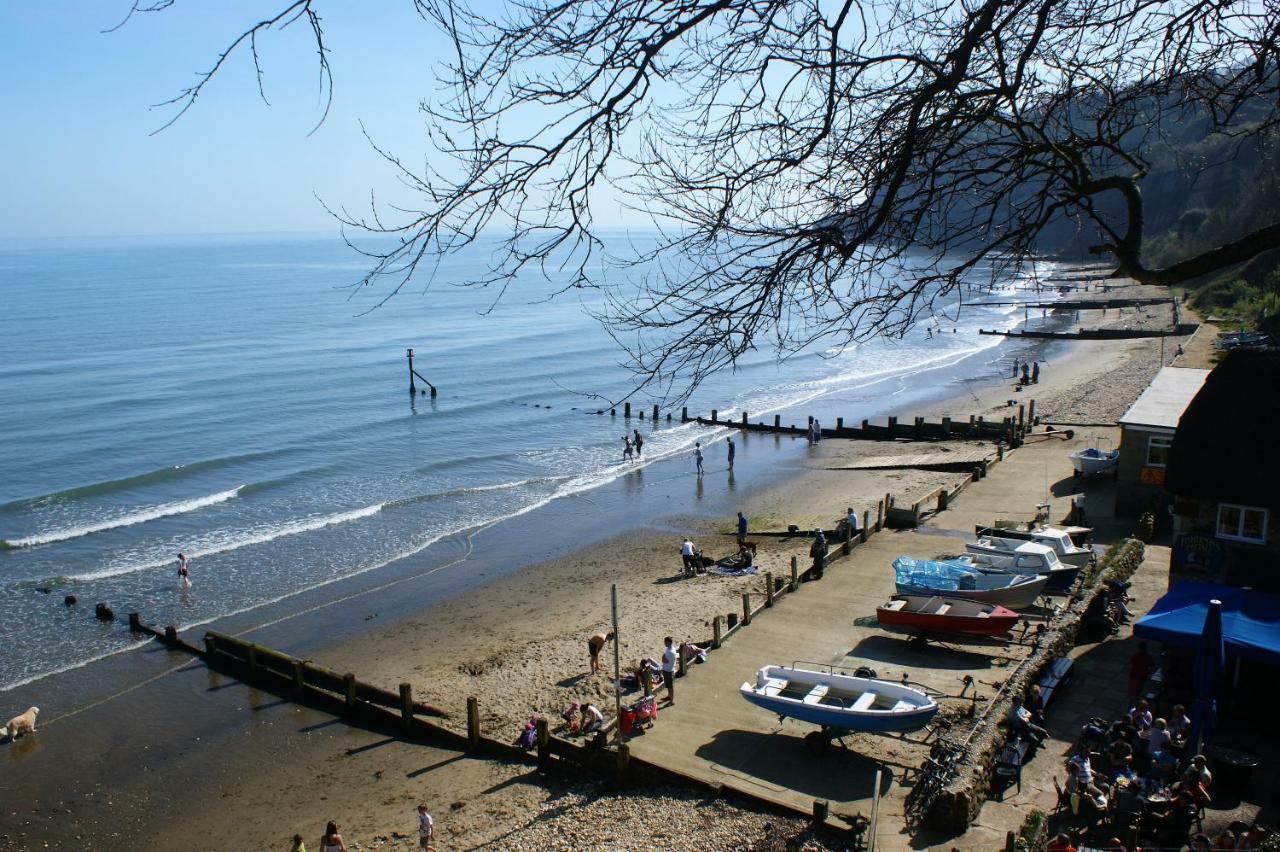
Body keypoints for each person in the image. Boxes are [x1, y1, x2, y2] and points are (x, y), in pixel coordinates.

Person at [661, 636, 676, 705]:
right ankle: (669, 696)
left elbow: (664, 660)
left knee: (670, 687)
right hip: (666, 670)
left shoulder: (671, 652)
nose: (664, 643)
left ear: (668, 642)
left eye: (665, 642)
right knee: (668, 686)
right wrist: (663, 657)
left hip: (669, 671)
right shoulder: (669, 648)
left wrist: (663, 657)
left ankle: (671, 701)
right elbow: (664, 657)